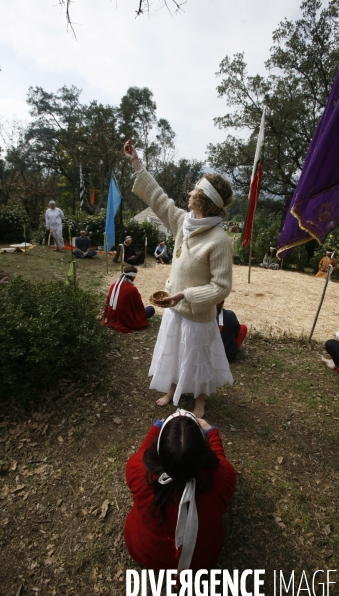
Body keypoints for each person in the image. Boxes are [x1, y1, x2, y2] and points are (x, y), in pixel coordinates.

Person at [124, 139, 234, 417]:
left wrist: (186, 295)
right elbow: (160, 200)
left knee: (197, 357)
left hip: (197, 314)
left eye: (195, 189)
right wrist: (136, 163)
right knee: (174, 351)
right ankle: (173, 388)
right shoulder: (184, 223)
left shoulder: (219, 240)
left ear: (205, 200)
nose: (189, 192)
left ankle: (199, 398)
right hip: (173, 309)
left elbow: (222, 286)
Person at [124, 410, 236, 571]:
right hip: (201, 560)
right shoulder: (223, 477)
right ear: (203, 452)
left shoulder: (139, 471)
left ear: (159, 449)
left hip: (145, 551)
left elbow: (143, 454)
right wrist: (212, 432)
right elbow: (220, 461)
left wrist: (156, 428)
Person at [101, 266, 155, 333]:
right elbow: (139, 306)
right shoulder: (132, 289)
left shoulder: (113, 285)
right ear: (133, 277)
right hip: (126, 318)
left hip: (112, 316)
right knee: (151, 309)